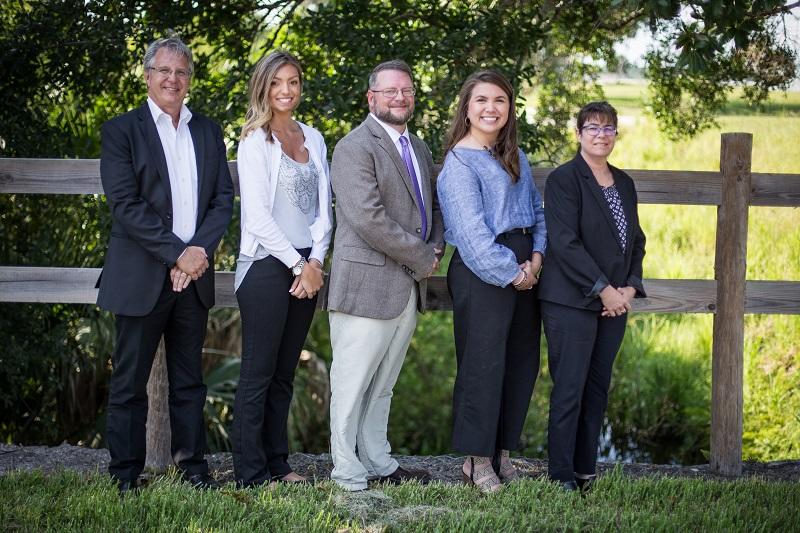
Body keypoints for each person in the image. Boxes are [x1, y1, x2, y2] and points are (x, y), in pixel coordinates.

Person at [97, 35, 234, 494]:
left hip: (193, 279)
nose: (172, 79)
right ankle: (125, 475)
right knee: (129, 383)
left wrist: (196, 254)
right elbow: (125, 204)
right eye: (164, 70)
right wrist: (179, 253)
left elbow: (222, 199)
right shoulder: (122, 130)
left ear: (189, 78)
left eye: (181, 72)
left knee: (189, 382)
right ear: (147, 75)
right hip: (141, 276)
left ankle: (193, 469)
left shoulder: (208, 131)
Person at [326, 59, 445, 492]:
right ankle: (346, 469)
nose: (400, 97)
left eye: (406, 90)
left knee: (383, 385)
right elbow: (367, 218)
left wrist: (436, 246)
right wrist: (421, 256)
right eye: (390, 90)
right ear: (371, 97)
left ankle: (378, 461)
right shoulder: (354, 147)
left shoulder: (420, 148)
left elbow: (432, 208)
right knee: (352, 382)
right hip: (366, 285)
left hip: (407, 287)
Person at [437, 70, 546, 493]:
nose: (491, 108)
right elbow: (471, 235)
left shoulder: (515, 155)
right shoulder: (460, 163)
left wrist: (536, 259)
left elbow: (537, 212)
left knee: (520, 362)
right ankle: (476, 460)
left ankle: (502, 453)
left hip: (526, 265)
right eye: (481, 100)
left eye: (500, 100)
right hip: (483, 272)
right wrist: (513, 272)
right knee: (482, 365)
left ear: (510, 109)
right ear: (467, 108)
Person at [231, 51, 332, 488]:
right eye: (276, 82)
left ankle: (278, 464)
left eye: (292, 81)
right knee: (259, 373)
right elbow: (257, 218)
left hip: (306, 267)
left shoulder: (314, 137)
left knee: (285, 373)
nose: (286, 90)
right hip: (265, 266)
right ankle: (250, 472)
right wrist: (297, 264)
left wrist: (316, 261)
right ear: (263, 87)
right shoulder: (255, 141)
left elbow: (324, 211)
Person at [538, 101, 646, 492]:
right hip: (571, 301)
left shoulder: (624, 183)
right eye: (593, 128)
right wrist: (604, 290)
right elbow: (565, 244)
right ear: (579, 133)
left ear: (616, 133)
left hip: (615, 303)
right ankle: (560, 475)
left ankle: (585, 470)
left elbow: (636, 240)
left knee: (597, 388)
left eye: (608, 128)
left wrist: (630, 286)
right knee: (570, 388)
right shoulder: (564, 179)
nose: (601, 135)